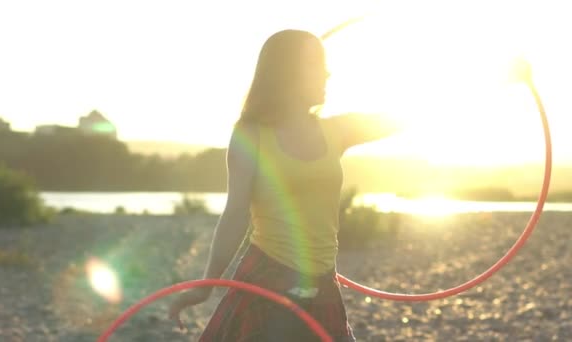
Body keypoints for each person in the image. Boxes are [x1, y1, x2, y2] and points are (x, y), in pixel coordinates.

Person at [168, 29, 403, 341]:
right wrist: (207, 285)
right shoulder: (251, 134)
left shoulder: (337, 130)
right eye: (317, 65)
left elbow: (401, 119)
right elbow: (235, 214)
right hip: (268, 280)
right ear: (289, 71)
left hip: (322, 283)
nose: (327, 74)